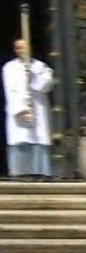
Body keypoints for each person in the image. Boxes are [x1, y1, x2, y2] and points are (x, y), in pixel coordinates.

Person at [3, 37, 55, 179]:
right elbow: (11, 90)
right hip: (19, 111)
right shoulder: (9, 67)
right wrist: (22, 109)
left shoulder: (40, 67)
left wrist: (32, 75)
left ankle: (41, 171)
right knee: (21, 138)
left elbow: (46, 86)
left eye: (24, 47)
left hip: (38, 108)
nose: (21, 51)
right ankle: (20, 172)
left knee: (39, 137)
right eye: (18, 48)